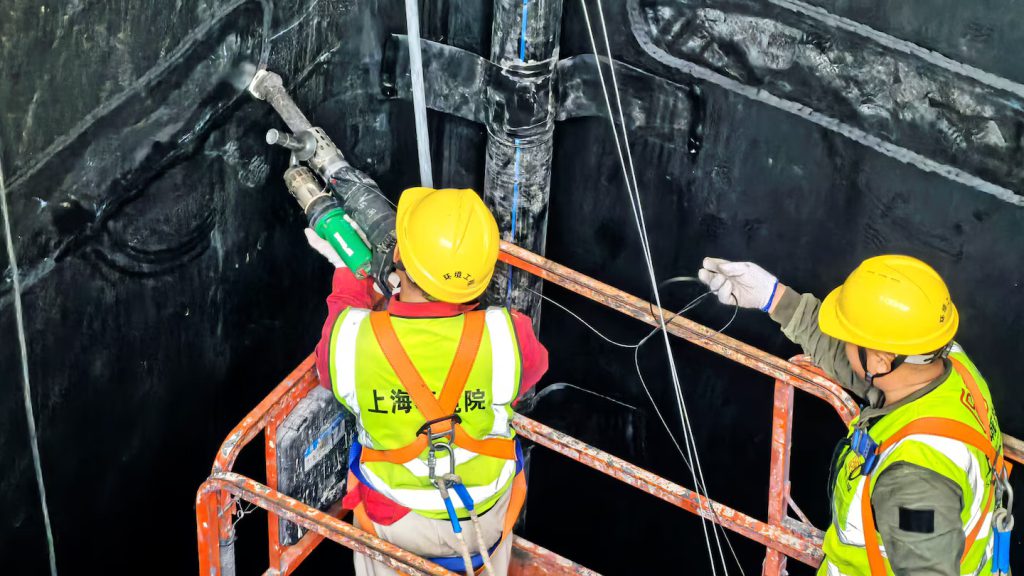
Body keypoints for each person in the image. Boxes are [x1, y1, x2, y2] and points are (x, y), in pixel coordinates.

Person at [699, 255, 1010, 576]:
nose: (843, 344)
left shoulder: (914, 481)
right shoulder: (949, 365)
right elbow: (857, 362)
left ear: (882, 361)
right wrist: (774, 297)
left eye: (849, 339)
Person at [307, 187, 548, 576]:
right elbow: (531, 372)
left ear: (398, 256)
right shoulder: (509, 335)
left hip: (396, 521)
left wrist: (350, 275)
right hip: (484, 518)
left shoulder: (351, 339)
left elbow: (328, 358)